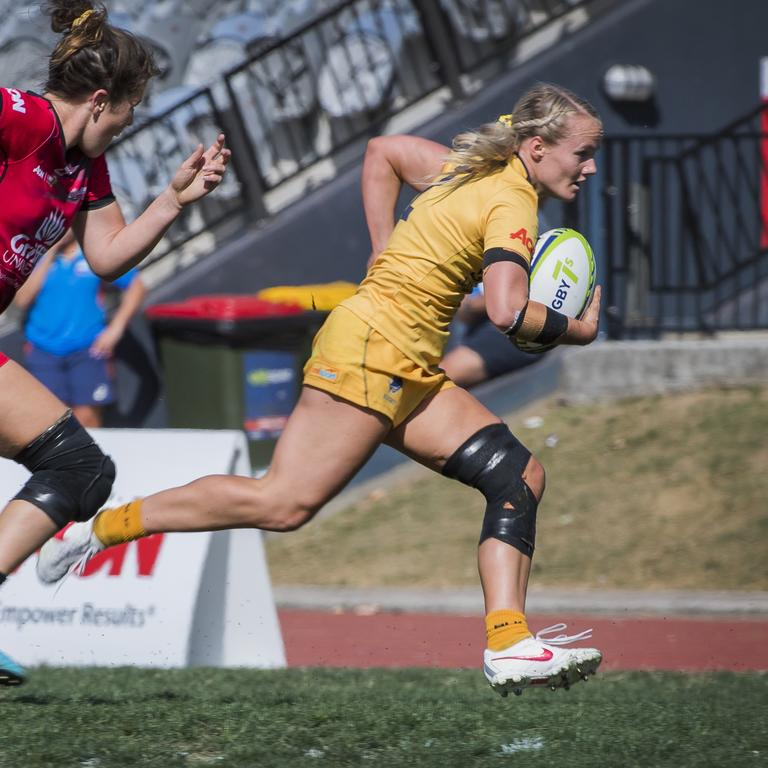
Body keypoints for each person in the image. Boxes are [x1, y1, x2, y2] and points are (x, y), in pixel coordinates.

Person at [39, 83, 603, 697]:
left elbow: (383, 152)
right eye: (583, 153)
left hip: (404, 364)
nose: (591, 166)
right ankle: (99, 530)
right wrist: (579, 329)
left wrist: (382, 245)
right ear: (540, 148)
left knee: (518, 476)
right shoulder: (512, 201)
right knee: (282, 504)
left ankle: (508, 643)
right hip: (371, 356)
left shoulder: (468, 168)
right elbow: (505, 311)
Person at [0, 0, 231, 686]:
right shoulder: (24, 118)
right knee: (78, 469)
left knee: (80, 472)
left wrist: (173, 200)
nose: (131, 122)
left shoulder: (83, 167)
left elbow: (107, 257)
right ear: (102, 100)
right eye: (129, 108)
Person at [15, 228, 147, 428]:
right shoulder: (35, 258)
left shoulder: (93, 254)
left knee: (87, 418)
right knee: (51, 421)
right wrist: (50, 251)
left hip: (87, 348)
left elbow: (136, 286)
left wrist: (116, 328)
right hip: (44, 349)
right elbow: (22, 300)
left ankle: (89, 459)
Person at [441, 282, 545, 388]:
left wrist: (479, 302)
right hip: (479, 328)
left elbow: (520, 294)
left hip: (518, 327)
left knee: (437, 378)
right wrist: (467, 305)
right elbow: (465, 316)